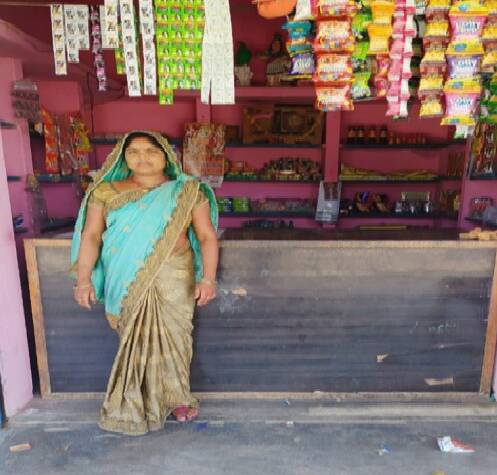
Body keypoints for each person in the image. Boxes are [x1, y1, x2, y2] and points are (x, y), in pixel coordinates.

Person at [70, 130, 219, 436]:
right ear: (122, 157)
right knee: (134, 339)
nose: (142, 158)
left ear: (166, 156)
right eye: (134, 152)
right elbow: (91, 236)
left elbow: (206, 236)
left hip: (174, 275)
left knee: (176, 339)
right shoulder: (104, 192)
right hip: (126, 276)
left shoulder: (188, 191)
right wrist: (83, 280)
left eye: (151, 151)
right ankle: (135, 402)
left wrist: (208, 278)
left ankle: (177, 397)